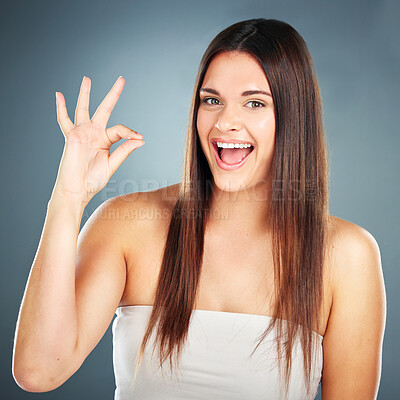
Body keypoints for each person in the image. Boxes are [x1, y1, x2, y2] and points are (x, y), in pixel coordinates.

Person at [12, 18, 386, 400]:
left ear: (293, 117)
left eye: (255, 102)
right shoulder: (125, 226)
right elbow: (38, 371)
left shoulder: (348, 257)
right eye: (212, 100)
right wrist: (68, 196)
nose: (226, 122)